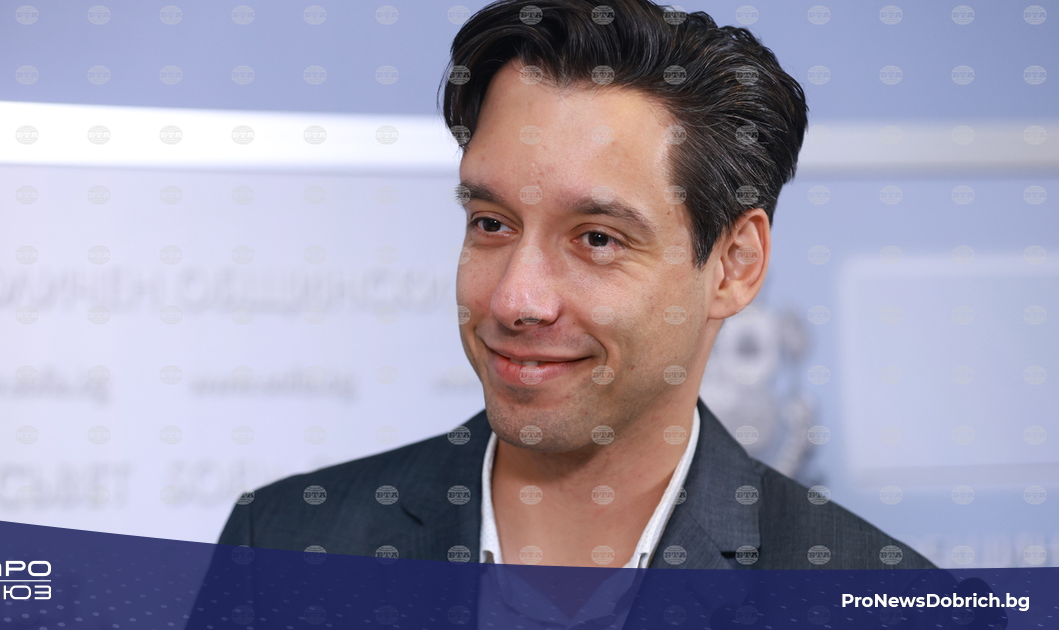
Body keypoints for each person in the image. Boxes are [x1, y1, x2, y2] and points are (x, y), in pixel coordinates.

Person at [215, 0, 935, 572]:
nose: (514, 300)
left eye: (597, 239)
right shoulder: (282, 545)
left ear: (734, 264)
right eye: (492, 223)